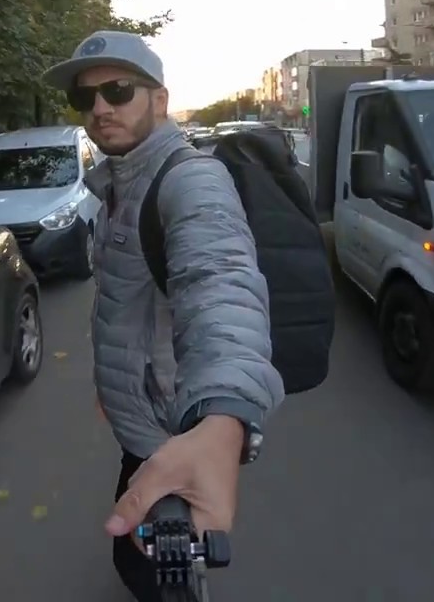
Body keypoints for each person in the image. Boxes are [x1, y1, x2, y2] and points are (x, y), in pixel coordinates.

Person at [42, 31, 285, 601]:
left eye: (119, 90)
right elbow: (129, 306)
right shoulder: (122, 181)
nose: (101, 108)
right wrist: (115, 383)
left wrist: (223, 420)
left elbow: (220, 285)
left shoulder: (190, 180)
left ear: (160, 99)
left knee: (144, 567)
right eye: (87, 98)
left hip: (175, 425)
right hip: (142, 412)